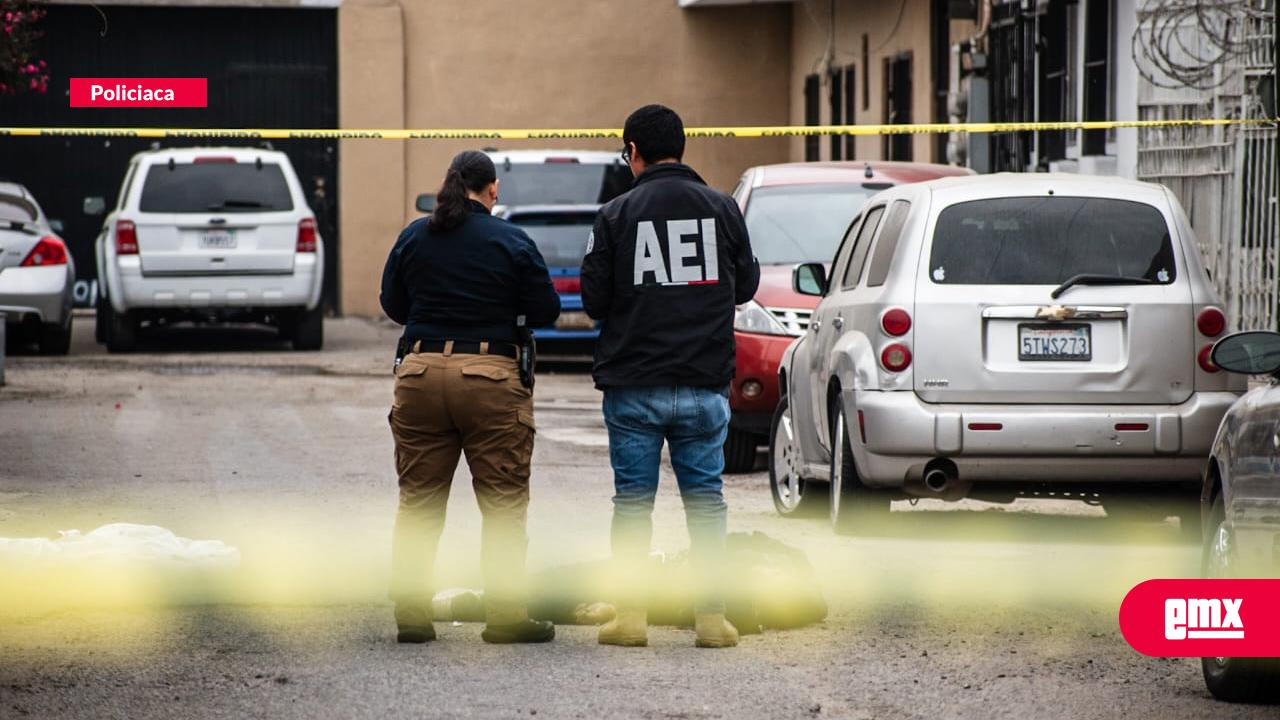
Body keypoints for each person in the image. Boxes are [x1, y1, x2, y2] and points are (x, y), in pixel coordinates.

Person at [580, 104, 761, 648]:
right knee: (706, 502)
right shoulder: (724, 208)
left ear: (632, 151)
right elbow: (746, 286)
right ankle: (711, 619)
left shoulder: (615, 214)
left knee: (632, 504)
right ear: (681, 148)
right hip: (704, 382)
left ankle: (631, 617)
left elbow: (592, 300)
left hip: (634, 384)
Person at [380, 150, 561, 645]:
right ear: (492, 189)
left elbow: (393, 304)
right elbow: (545, 308)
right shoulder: (511, 240)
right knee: (502, 505)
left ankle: (412, 614)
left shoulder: (414, 236)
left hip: (418, 375)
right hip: (490, 378)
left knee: (418, 503)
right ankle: (505, 616)